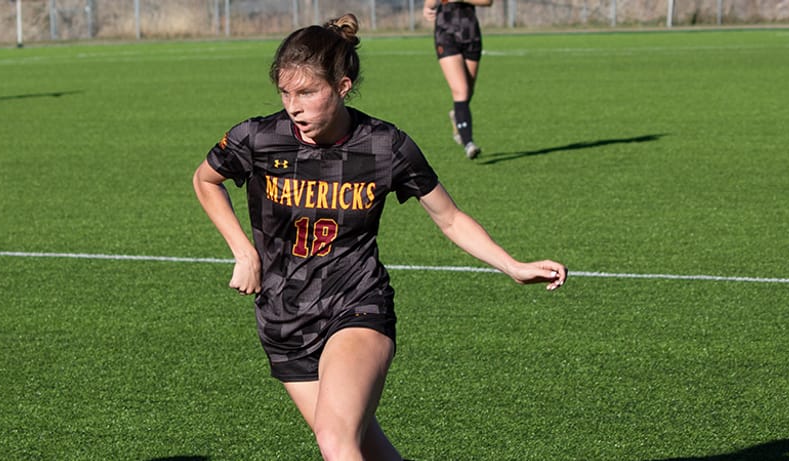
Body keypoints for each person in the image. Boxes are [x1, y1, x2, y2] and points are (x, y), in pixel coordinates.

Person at [192, 13, 566, 460]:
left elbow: (448, 218)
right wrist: (243, 251)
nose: (294, 106)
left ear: (343, 86)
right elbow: (205, 179)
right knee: (366, 448)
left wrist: (513, 265)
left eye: (308, 92)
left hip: (356, 304)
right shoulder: (258, 137)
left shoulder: (385, 145)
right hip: (282, 317)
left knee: (335, 440)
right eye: (286, 92)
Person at [423, 0, 492, 160]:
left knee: (467, 92)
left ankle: (458, 116)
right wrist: (427, 8)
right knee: (461, 91)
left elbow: (488, 1)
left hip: (470, 32)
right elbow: (430, 3)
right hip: (445, 33)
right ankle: (468, 143)